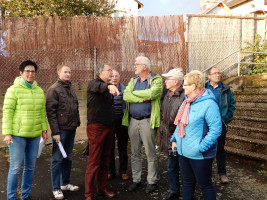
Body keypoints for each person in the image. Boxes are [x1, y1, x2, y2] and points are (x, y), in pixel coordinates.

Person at [171, 70, 222, 200]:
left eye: (186, 84)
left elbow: (216, 130)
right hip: (183, 152)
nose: (183, 87)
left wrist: (200, 148)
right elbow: (179, 124)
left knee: (205, 185)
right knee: (187, 183)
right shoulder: (187, 102)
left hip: (200, 155)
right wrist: (174, 139)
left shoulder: (209, 104)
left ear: (193, 86)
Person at [2, 60, 48, 200]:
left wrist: (44, 130)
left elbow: (41, 112)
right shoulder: (13, 90)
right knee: (15, 168)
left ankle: (25, 195)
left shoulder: (39, 91)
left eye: (33, 71)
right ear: (21, 73)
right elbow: (7, 112)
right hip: (17, 136)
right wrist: (7, 133)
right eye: (27, 71)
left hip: (34, 136)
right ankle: (11, 197)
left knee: (30, 167)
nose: (30, 74)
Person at [122, 56, 163, 194]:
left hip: (147, 121)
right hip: (133, 121)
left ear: (145, 66)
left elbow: (153, 93)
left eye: (137, 64)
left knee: (150, 153)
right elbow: (125, 96)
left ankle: (152, 181)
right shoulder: (133, 81)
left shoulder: (156, 79)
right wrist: (141, 98)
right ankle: (136, 179)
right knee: (135, 153)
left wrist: (134, 94)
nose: (134, 66)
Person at [85, 64, 119, 200]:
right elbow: (99, 87)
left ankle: (102, 188)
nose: (111, 72)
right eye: (109, 70)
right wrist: (109, 86)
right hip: (96, 128)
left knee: (105, 160)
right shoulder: (94, 83)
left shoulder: (107, 86)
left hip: (109, 127)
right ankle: (88, 194)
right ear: (101, 72)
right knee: (94, 161)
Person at [46, 64, 81, 200]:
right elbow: (51, 112)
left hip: (71, 128)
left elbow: (75, 107)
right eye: (65, 72)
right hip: (60, 130)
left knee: (68, 157)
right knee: (57, 158)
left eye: (70, 72)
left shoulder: (70, 88)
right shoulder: (54, 89)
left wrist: (76, 123)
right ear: (58, 73)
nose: (68, 74)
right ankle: (56, 188)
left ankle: (65, 183)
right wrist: (55, 132)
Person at [206, 66, 235, 184]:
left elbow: (232, 105)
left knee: (220, 149)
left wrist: (227, 118)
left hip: (220, 124)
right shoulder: (203, 88)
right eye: (215, 73)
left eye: (219, 73)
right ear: (208, 76)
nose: (218, 75)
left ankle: (222, 173)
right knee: (206, 148)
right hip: (206, 125)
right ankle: (206, 173)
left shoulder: (225, 89)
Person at [160, 69, 184, 200]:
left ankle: (187, 193)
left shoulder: (184, 96)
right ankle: (174, 190)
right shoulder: (168, 94)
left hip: (180, 138)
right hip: (169, 137)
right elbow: (164, 114)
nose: (165, 81)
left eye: (167, 79)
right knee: (171, 166)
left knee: (185, 168)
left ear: (175, 81)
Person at [108, 69, 129, 181]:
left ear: (119, 77)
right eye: (112, 76)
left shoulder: (125, 89)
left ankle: (123, 171)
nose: (114, 78)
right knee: (110, 147)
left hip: (122, 120)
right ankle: (110, 171)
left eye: (116, 76)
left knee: (123, 147)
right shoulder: (105, 90)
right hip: (110, 121)